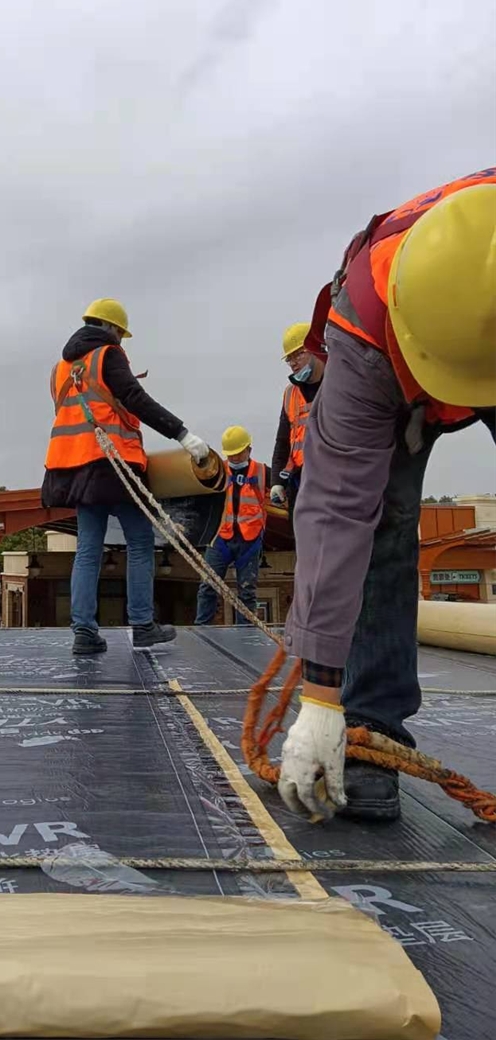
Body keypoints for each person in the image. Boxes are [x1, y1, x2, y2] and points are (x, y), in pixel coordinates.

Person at [278, 170, 496, 823]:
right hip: (392, 361)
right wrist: (320, 698)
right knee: (383, 528)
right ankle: (370, 732)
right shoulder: (365, 326)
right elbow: (339, 510)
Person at [42, 298, 210, 655]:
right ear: (113, 330)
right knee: (139, 541)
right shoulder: (108, 355)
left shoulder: (62, 367)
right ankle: (142, 624)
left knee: (88, 547)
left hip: (71, 469)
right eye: (120, 335)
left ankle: (84, 632)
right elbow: (134, 398)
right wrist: (182, 434)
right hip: (111, 465)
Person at [194, 426, 267, 626]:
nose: (234, 458)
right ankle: (202, 630)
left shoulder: (262, 472)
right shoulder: (217, 471)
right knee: (208, 586)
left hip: (249, 540)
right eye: (231, 455)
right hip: (220, 538)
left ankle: (245, 635)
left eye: (238, 453)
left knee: (247, 591)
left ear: (248, 450)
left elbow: (277, 498)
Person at [270, 322, 325, 524]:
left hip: (335, 479)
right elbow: (282, 441)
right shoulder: (290, 395)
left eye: (299, 354)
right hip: (300, 483)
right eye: (289, 358)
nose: (293, 362)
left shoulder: (339, 382)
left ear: (317, 347)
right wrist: (277, 482)